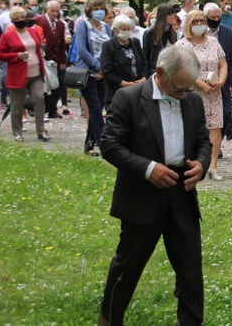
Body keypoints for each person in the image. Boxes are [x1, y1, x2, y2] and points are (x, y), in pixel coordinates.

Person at [98, 45, 212, 326]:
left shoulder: (192, 101)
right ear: (160, 72)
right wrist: (148, 169)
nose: (183, 95)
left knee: (190, 269)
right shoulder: (129, 98)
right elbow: (110, 145)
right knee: (128, 265)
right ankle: (110, 318)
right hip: (142, 194)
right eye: (177, 88)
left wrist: (201, 164)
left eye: (188, 89)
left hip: (182, 191)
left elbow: (203, 142)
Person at [176, 9, 227, 180]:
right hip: (191, 92)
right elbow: (181, 69)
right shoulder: (182, 45)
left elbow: (223, 64)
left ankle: (213, 166)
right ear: (189, 24)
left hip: (214, 91)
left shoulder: (213, 42)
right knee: (192, 128)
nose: (199, 24)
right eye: (195, 21)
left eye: (201, 21)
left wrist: (221, 81)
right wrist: (199, 84)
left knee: (215, 128)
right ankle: (192, 163)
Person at [0, 6, 49, 142]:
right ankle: (17, 132)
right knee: (17, 104)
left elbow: (38, 48)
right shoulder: (8, 35)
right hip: (18, 74)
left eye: (22, 17)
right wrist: (16, 55)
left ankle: (41, 130)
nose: (20, 20)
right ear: (12, 21)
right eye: (17, 18)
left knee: (39, 99)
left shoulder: (33, 32)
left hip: (36, 72)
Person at [75, 0, 113, 156]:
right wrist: (97, 67)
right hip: (87, 74)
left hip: (103, 73)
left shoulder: (106, 27)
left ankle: (89, 145)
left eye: (101, 8)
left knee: (98, 107)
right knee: (96, 109)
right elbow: (82, 50)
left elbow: (110, 47)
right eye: (95, 9)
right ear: (89, 11)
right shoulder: (83, 25)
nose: (99, 11)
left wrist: (104, 69)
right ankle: (104, 145)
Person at [204, 3, 232, 144]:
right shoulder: (199, 32)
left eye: (218, 16)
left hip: (222, 79)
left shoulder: (227, 31)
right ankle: (208, 145)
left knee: (226, 112)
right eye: (212, 17)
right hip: (202, 79)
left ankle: (217, 143)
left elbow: (231, 57)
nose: (216, 19)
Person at [100, 15, 147, 107]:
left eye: (129, 29)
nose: (127, 32)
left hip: (137, 89)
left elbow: (144, 63)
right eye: (124, 29)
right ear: (116, 29)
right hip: (117, 91)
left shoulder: (135, 42)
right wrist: (123, 83)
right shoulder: (108, 46)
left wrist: (144, 78)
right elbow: (106, 71)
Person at [36, 0, 71, 119]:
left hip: (57, 58)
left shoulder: (61, 24)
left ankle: (53, 109)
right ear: (47, 9)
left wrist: (62, 61)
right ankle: (44, 108)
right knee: (45, 85)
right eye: (52, 11)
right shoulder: (39, 22)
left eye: (57, 11)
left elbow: (62, 45)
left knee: (58, 84)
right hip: (45, 58)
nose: (55, 13)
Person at [142, 4, 177, 77]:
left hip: (170, 68)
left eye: (173, 14)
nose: (172, 17)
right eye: (170, 15)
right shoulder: (150, 32)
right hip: (154, 69)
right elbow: (145, 55)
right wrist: (145, 74)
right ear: (163, 16)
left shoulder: (172, 32)